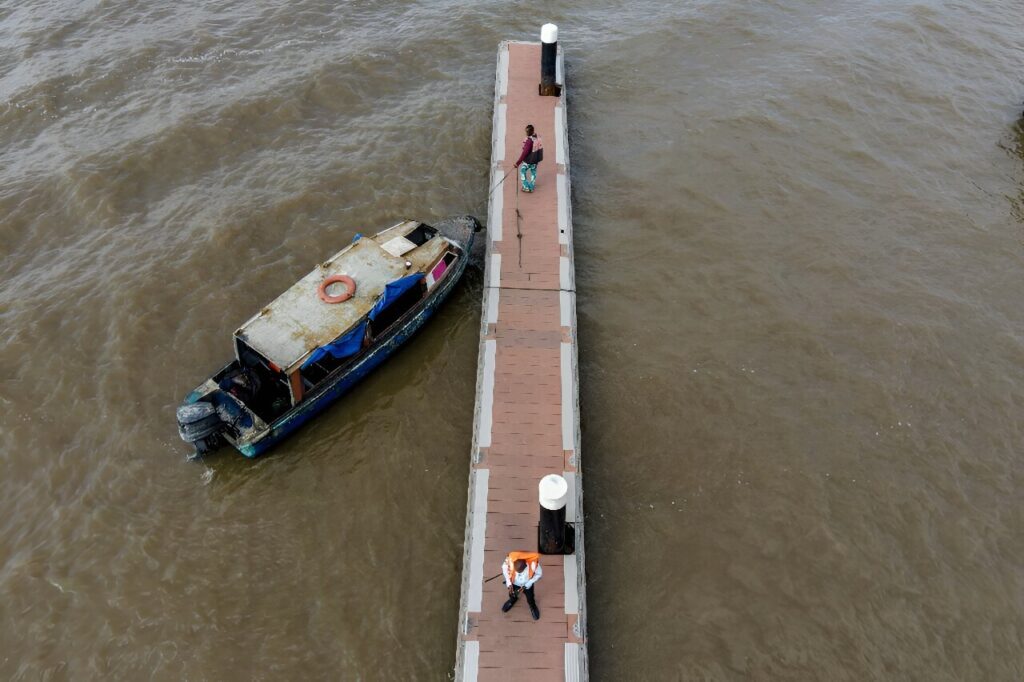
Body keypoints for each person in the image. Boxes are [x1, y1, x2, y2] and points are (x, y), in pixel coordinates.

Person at [501, 551, 542, 620]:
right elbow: (504, 569)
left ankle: (532, 606)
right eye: (516, 571)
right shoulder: (510, 560)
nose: (517, 572)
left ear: (526, 565)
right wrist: (509, 583)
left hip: (527, 585)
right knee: (511, 593)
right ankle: (512, 600)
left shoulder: (533, 564)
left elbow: (539, 574)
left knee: (530, 597)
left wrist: (528, 584)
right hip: (514, 583)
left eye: (520, 571)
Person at [514, 124, 543, 193]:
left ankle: (526, 187)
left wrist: (517, 163)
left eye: (527, 131)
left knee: (523, 171)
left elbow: (524, 153)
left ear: (528, 132)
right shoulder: (537, 137)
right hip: (535, 160)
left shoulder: (529, 141)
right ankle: (532, 187)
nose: (526, 133)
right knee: (533, 172)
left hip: (528, 161)